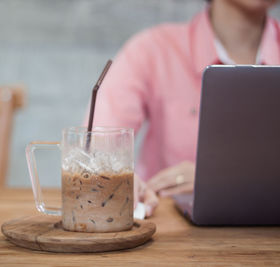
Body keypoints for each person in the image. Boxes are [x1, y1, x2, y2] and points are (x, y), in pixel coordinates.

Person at [90, 0, 280, 216]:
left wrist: (219, 179)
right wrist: (117, 177)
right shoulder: (154, 49)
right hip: (171, 233)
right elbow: (96, 147)